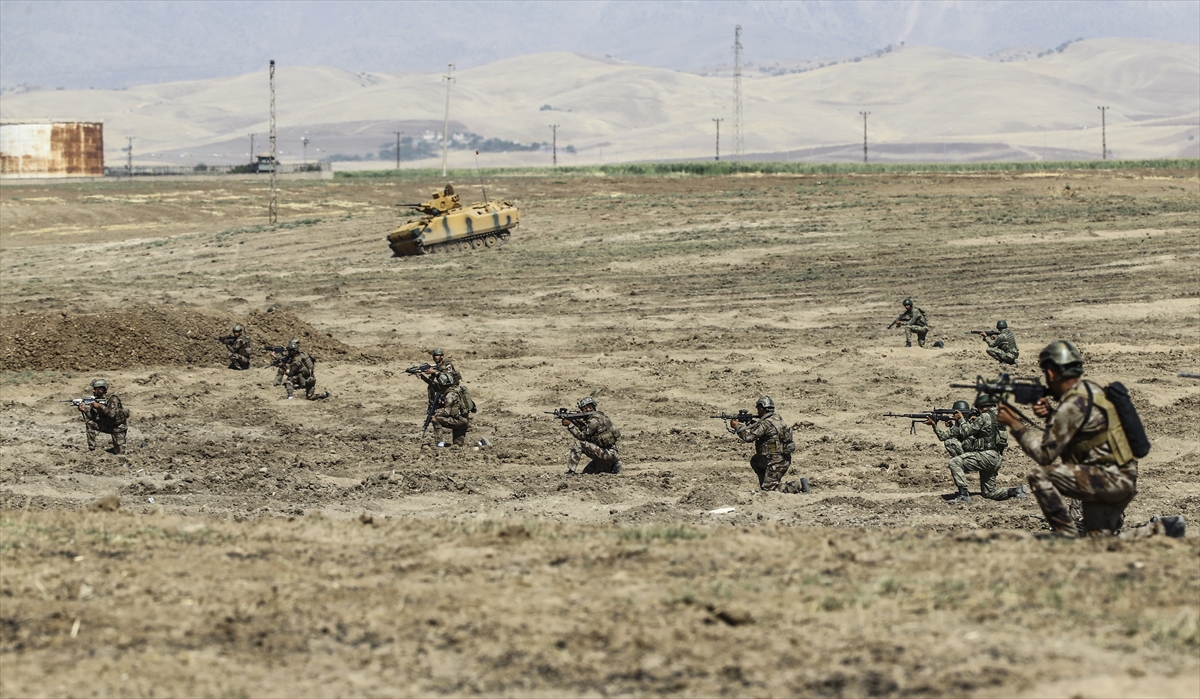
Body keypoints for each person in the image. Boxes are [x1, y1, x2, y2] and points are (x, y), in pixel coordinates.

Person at [998, 340, 1185, 538]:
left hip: (1107, 477)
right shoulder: (1091, 391)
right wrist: (1051, 416)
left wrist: (1015, 424)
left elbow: (1045, 455)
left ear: (1051, 373)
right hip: (1121, 474)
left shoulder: (1071, 405)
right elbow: (1082, 431)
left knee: (1039, 475)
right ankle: (1163, 528)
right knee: (1098, 541)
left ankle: (1066, 535)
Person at [929, 396, 1025, 504]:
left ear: (984, 407)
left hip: (986, 456)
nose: (977, 410)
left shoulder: (984, 416)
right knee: (989, 493)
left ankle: (963, 495)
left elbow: (966, 432)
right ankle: (1016, 490)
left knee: (954, 462)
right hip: (996, 458)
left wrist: (960, 419)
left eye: (978, 407)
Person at [727, 396, 808, 493]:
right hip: (782, 459)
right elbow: (766, 431)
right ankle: (766, 482)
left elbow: (748, 438)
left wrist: (737, 426)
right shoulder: (777, 418)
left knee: (770, 489)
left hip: (776, 463)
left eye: (758, 409)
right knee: (755, 460)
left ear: (762, 408)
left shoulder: (765, 424)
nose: (757, 412)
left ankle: (798, 485)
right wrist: (752, 424)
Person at [563, 397, 622, 474]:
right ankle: (610, 466)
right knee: (586, 473)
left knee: (579, 444)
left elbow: (582, 437)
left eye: (582, 409)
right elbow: (590, 432)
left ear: (590, 408)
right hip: (609, 454)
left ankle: (571, 471)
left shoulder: (594, 421)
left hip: (606, 454)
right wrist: (578, 423)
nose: (580, 411)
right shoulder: (601, 417)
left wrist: (570, 425)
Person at [78, 379, 128, 454]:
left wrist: (99, 406)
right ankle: (92, 449)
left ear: (101, 390)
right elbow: (93, 417)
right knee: (90, 423)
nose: (93, 391)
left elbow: (112, 414)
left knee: (120, 453)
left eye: (95, 389)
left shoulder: (112, 399)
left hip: (118, 428)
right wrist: (84, 410)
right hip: (106, 425)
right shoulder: (97, 400)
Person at [430, 372, 472, 446]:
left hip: (458, 421)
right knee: (458, 445)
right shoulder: (456, 390)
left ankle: (439, 443)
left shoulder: (449, 395)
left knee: (435, 419)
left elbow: (446, 412)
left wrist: (436, 413)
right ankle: (481, 443)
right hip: (464, 420)